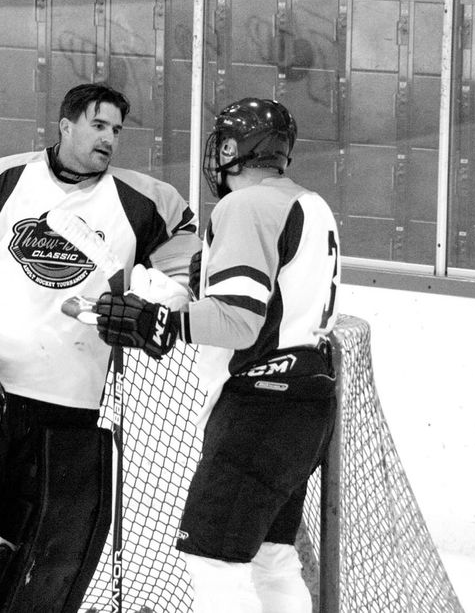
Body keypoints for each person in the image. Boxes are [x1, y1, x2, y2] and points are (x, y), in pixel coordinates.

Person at [0, 82, 199, 612]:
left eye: (117, 130)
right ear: (66, 125)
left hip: (69, 408)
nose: (108, 139)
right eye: (98, 126)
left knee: (39, 561)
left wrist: (151, 302)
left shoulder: (146, 201)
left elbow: (183, 269)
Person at [92, 97, 340, 613]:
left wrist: (159, 321)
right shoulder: (311, 204)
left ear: (232, 149)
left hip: (260, 406)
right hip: (306, 403)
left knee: (212, 558)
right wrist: (183, 299)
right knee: (272, 557)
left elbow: (239, 320)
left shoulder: (246, 206)